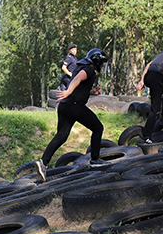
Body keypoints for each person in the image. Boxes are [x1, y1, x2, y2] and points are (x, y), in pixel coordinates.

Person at [35, 48, 109, 182]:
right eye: (102, 63)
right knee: (98, 128)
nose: (102, 65)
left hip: (65, 106)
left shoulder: (82, 66)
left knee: (61, 136)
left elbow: (80, 85)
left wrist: (92, 93)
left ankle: (43, 163)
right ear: (97, 61)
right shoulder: (89, 70)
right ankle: (95, 160)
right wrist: (68, 91)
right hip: (75, 105)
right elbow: (79, 78)